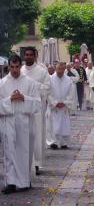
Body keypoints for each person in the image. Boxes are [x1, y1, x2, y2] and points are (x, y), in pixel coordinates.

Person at [0, 55, 41, 194]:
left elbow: (37, 104)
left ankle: (24, 181)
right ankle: (10, 182)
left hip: (24, 123)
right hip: (8, 122)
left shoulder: (30, 83)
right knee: (9, 153)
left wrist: (24, 98)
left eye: (17, 67)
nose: (15, 70)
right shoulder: (2, 83)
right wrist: (9, 99)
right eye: (12, 67)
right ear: (8, 66)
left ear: (20, 65)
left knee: (24, 152)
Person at [21, 47, 51, 175]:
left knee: (37, 135)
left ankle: (37, 163)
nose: (28, 57)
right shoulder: (20, 70)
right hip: (22, 108)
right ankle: (25, 162)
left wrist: (33, 85)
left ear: (35, 56)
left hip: (37, 108)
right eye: (26, 55)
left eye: (30, 55)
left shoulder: (42, 71)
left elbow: (47, 88)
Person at [47, 62, 75, 149]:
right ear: (56, 69)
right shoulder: (50, 79)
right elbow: (47, 93)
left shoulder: (68, 80)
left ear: (64, 69)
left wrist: (65, 102)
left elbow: (71, 93)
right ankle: (53, 142)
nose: (60, 71)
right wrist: (54, 103)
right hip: (54, 107)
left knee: (64, 125)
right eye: (59, 69)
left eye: (62, 69)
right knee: (53, 125)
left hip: (63, 107)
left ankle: (64, 142)